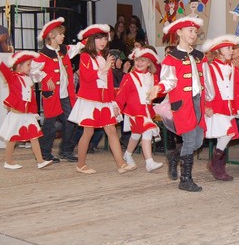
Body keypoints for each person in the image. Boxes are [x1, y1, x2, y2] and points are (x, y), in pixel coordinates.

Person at [148, 17, 214, 192]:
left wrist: (209, 101)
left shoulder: (200, 56)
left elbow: (207, 81)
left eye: (195, 31)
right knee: (190, 140)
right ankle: (185, 179)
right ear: (179, 32)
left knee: (198, 141)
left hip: (198, 102)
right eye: (190, 31)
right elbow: (168, 81)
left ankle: (173, 156)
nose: (193, 34)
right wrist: (159, 87)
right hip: (183, 104)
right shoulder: (171, 58)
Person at [68, 24, 136, 175]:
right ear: (92, 40)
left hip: (105, 100)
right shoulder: (85, 56)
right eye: (99, 38)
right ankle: (81, 164)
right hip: (90, 100)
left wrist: (114, 102)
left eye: (105, 39)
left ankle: (121, 164)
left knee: (111, 130)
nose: (103, 42)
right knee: (88, 132)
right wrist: (104, 68)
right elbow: (86, 77)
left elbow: (109, 83)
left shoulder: (104, 57)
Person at [0, 49, 53, 170]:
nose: (30, 67)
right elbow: (3, 69)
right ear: (18, 66)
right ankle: (8, 161)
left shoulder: (28, 79)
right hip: (16, 115)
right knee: (12, 138)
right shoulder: (12, 77)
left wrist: (33, 112)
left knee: (34, 137)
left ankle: (40, 161)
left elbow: (30, 99)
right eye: (28, 65)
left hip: (27, 115)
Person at [30, 18, 82, 163]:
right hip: (52, 95)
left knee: (70, 120)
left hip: (65, 94)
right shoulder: (43, 54)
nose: (63, 36)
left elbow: (76, 48)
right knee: (50, 125)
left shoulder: (63, 50)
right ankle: (44, 153)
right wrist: (46, 77)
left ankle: (65, 150)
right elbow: (33, 71)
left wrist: (87, 39)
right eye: (60, 34)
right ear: (52, 36)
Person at [202, 34, 239, 181]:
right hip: (216, 107)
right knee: (228, 133)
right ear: (218, 51)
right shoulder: (210, 68)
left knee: (224, 136)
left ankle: (218, 166)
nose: (231, 51)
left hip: (229, 107)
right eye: (228, 48)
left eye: (232, 48)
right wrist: (207, 106)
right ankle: (215, 164)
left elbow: (238, 90)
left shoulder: (233, 68)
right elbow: (205, 88)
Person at [115, 47, 164, 173]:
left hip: (147, 111)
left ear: (149, 63)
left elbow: (159, 93)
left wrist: (159, 90)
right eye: (137, 60)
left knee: (136, 135)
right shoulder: (129, 77)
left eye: (143, 60)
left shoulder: (153, 77)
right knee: (147, 130)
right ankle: (149, 162)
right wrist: (116, 108)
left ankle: (127, 154)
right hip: (134, 111)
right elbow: (121, 95)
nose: (139, 63)